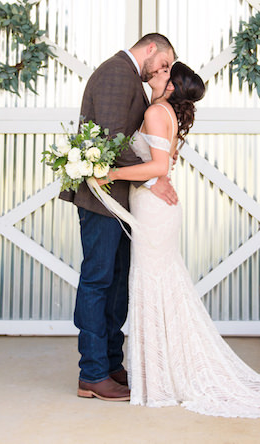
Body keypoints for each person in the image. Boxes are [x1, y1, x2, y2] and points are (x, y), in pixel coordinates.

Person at [94, 62, 260, 418]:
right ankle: (160, 373)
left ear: (172, 87)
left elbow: (160, 167)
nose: (154, 75)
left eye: (162, 73)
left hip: (154, 210)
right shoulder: (164, 111)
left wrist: (108, 172)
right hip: (153, 208)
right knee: (158, 284)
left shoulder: (157, 112)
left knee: (154, 283)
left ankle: (161, 377)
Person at [61, 33, 177, 402]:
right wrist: (153, 175)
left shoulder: (131, 76)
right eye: (163, 64)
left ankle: (111, 363)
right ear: (149, 49)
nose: (164, 71)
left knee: (115, 285)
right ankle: (92, 373)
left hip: (120, 200)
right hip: (101, 198)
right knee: (98, 281)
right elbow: (110, 140)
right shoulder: (116, 71)